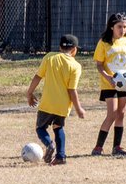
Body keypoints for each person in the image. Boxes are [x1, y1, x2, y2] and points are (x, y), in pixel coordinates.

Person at [26, 33, 86, 165]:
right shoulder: (76, 66)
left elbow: (38, 76)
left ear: (59, 47)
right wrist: (78, 108)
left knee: (40, 128)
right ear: (75, 50)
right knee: (58, 128)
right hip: (63, 106)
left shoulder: (49, 57)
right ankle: (61, 156)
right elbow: (72, 90)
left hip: (47, 103)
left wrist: (29, 93)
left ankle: (49, 144)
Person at [91, 12, 126, 157]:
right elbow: (99, 65)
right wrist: (108, 78)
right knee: (112, 114)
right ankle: (98, 147)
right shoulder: (104, 42)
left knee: (121, 114)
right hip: (110, 84)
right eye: (119, 26)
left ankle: (117, 147)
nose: (122, 30)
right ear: (112, 27)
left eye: (124, 27)